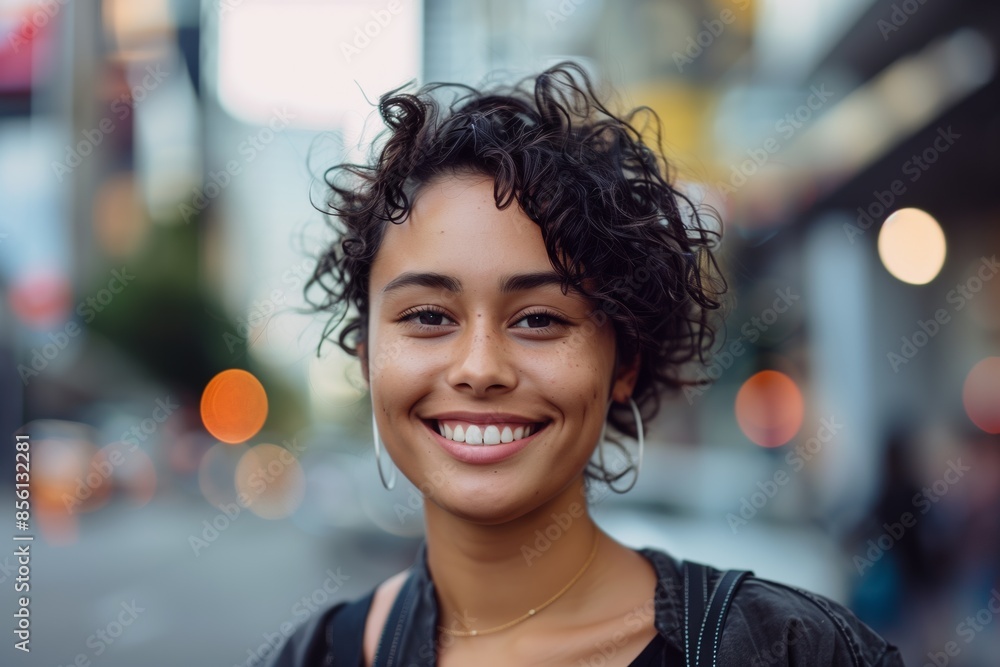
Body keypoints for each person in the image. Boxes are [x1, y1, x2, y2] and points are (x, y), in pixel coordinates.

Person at [265, 61, 905, 666]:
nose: (480, 367)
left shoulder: (789, 650)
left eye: (539, 318)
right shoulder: (317, 655)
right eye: (429, 316)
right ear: (369, 359)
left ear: (623, 360)